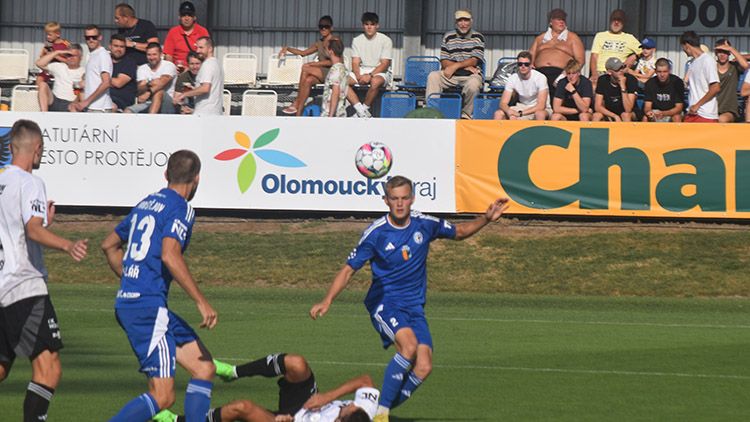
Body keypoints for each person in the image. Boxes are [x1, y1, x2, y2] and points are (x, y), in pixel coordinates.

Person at [310, 176, 509, 422]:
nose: (400, 203)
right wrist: (328, 299)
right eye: (394, 199)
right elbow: (348, 269)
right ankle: (381, 416)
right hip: (385, 304)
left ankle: (371, 412)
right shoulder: (376, 234)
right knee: (409, 347)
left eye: (405, 198)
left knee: (424, 367)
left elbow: (459, 233)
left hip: (414, 307)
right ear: (386, 201)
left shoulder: (424, 224)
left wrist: (487, 219)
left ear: (412, 199)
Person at [101, 150, 218, 422]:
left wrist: (132, 278)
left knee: (204, 368)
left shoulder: (146, 203)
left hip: (141, 305)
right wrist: (201, 301)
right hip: (148, 309)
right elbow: (169, 254)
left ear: (166, 175)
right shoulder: (182, 208)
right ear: (197, 178)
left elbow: (109, 245)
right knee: (163, 396)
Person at [0, 119, 88, 422]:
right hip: (24, 287)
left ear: (11, 148)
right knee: (49, 370)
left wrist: (40, 224)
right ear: (36, 149)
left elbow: (17, 231)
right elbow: (33, 231)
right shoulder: (30, 183)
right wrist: (67, 245)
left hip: (1, 287)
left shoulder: (2, 182)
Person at [152, 353, 379, 422]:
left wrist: (284, 421)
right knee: (296, 363)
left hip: (291, 419)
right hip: (308, 399)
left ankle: (176, 420)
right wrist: (328, 396)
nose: (348, 405)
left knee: (241, 407)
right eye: (348, 407)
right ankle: (233, 372)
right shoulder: (363, 412)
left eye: (342, 415)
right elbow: (366, 380)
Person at [426, 9, 484, 120]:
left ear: (471, 21)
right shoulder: (448, 36)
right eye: (460, 20)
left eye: (466, 20)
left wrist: (455, 66)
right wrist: (460, 66)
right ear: (456, 22)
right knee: (433, 76)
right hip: (451, 75)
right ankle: (432, 113)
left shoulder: (478, 37)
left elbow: (474, 60)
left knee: (473, 84)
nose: (463, 24)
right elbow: (444, 61)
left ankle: (466, 116)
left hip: (470, 74)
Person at [281, 16, 335, 116]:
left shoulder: (335, 40)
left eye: (326, 26)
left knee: (306, 68)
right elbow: (303, 53)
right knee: (308, 80)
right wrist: (287, 48)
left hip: (333, 72)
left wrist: (314, 64)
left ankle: (296, 102)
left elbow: (333, 62)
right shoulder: (319, 43)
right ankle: (299, 112)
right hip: (322, 73)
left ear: (331, 28)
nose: (323, 29)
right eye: (321, 26)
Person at [345, 12, 393, 118]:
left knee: (375, 82)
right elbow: (355, 62)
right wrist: (358, 76)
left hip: (380, 72)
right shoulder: (357, 40)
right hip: (361, 71)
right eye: (367, 24)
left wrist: (370, 75)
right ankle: (361, 111)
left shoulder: (386, 40)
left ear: (377, 25)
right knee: (341, 80)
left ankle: (364, 109)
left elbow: (384, 64)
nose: (369, 27)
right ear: (363, 25)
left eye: (372, 24)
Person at [528, 8, 585, 95]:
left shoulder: (573, 38)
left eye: (563, 20)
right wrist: (530, 67)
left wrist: (566, 73)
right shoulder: (540, 38)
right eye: (558, 19)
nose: (561, 22)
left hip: (561, 73)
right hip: (540, 72)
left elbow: (580, 59)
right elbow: (530, 57)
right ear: (551, 22)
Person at [589, 9, 641, 90]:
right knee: (593, 87)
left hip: (617, 73)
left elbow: (644, 51)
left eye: (619, 20)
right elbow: (594, 56)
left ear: (623, 22)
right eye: (614, 19)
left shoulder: (629, 38)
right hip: (601, 72)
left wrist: (634, 56)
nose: (616, 22)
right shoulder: (600, 36)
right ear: (610, 21)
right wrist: (594, 74)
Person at [173, 37, 224, 116]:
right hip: (215, 111)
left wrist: (184, 95)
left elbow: (205, 88)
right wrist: (195, 90)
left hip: (204, 112)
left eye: (201, 47)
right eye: (197, 47)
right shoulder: (217, 64)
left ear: (210, 49)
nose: (197, 50)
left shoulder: (207, 65)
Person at [494, 51, 551, 120]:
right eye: (520, 64)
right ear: (517, 65)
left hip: (540, 109)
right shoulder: (513, 78)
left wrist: (520, 113)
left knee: (540, 114)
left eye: (526, 64)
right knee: (498, 114)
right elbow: (503, 103)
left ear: (531, 65)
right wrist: (509, 111)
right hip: (522, 106)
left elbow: (541, 106)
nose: (523, 66)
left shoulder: (540, 77)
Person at [125, 42, 178, 114]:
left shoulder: (169, 65)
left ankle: (150, 120)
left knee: (159, 92)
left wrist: (148, 92)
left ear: (161, 54)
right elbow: (140, 89)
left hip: (167, 102)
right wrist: (149, 83)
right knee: (128, 111)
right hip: (148, 102)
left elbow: (162, 83)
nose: (152, 57)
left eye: (154, 54)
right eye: (149, 55)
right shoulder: (142, 68)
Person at [71, 25, 113, 112]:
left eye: (94, 37)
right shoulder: (92, 55)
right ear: (84, 38)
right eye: (88, 37)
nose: (91, 40)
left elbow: (106, 82)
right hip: (91, 107)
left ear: (100, 37)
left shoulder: (102, 55)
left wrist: (86, 102)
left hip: (100, 108)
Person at [680, 31, 720, 123]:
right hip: (692, 113)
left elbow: (715, 87)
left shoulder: (708, 61)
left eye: (683, 47)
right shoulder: (693, 63)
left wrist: (697, 105)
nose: (683, 50)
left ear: (687, 45)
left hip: (705, 114)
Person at [35, 43, 84, 112]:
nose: (71, 58)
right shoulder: (59, 66)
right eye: (69, 55)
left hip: (72, 103)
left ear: (81, 57)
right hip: (55, 100)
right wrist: (57, 52)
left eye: (74, 55)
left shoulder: (84, 72)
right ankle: (44, 115)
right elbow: (39, 63)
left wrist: (74, 103)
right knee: (43, 85)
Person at [163, 1, 210, 72]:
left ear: (194, 17)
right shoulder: (173, 32)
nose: (186, 18)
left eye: (189, 15)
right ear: (179, 16)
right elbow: (168, 55)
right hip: (177, 71)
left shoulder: (202, 32)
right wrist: (173, 69)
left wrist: (191, 69)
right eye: (184, 15)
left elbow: (207, 54)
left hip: (196, 70)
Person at [592, 57, 640, 122]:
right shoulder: (603, 80)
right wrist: (614, 116)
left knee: (625, 115)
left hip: (629, 112)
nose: (621, 70)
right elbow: (598, 106)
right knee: (596, 115)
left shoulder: (630, 80)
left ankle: (627, 132)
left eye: (622, 67)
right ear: (609, 72)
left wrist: (623, 87)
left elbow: (628, 109)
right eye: (617, 69)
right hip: (610, 112)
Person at [714, 39, 748, 123]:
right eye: (719, 52)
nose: (722, 55)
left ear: (729, 53)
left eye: (725, 52)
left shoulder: (734, 67)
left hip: (729, 111)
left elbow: (745, 65)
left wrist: (731, 49)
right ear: (716, 53)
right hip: (712, 110)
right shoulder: (711, 67)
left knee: (722, 119)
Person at [642, 58, 685, 122]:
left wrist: (664, 113)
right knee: (645, 118)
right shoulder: (650, 83)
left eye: (665, 72)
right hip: (656, 112)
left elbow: (678, 108)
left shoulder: (677, 82)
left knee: (677, 117)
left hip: (672, 112)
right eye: (659, 72)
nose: (662, 75)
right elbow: (647, 105)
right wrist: (649, 112)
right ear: (655, 71)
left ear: (669, 70)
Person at [35, 22, 70, 91]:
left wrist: (54, 55)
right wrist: (45, 54)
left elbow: (69, 62)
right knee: (39, 78)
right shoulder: (47, 44)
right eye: (47, 35)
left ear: (58, 34)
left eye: (50, 35)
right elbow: (41, 60)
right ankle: (38, 96)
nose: (48, 37)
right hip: (50, 69)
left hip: (62, 70)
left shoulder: (66, 45)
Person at [110, 34, 138, 112]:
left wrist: (99, 79)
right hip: (102, 96)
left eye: (122, 47)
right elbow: (87, 76)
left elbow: (119, 83)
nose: (119, 49)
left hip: (121, 101)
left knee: (109, 106)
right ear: (110, 46)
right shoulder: (103, 60)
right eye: (116, 46)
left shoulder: (129, 62)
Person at [321, 38, 348, 118]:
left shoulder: (335, 70)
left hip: (331, 114)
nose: (325, 50)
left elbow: (335, 92)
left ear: (331, 51)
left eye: (326, 48)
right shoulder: (344, 69)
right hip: (341, 113)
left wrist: (330, 116)